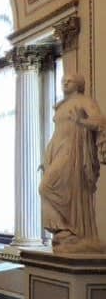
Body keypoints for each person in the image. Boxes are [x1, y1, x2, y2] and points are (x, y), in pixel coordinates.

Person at [40, 73, 105, 251]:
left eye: (70, 81)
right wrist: (46, 157)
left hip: (73, 153)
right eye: (63, 81)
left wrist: (81, 121)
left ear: (79, 84)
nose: (65, 83)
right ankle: (65, 232)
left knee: (46, 187)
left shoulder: (84, 101)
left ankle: (72, 231)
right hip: (58, 150)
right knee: (50, 188)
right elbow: (57, 133)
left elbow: (100, 121)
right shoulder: (62, 105)